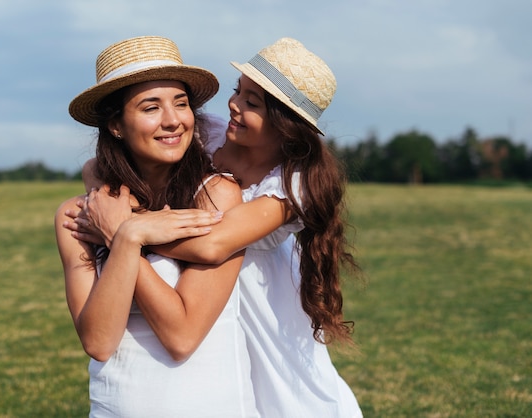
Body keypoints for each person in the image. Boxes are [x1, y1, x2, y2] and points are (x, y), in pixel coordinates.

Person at [71, 38, 362, 417]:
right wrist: (108, 205)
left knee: (285, 396)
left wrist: (127, 228)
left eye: (252, 103)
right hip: (204, 283)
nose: (234, 105)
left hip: (263, 298)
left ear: (285, 125)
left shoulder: (293, 183)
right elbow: (101, 164)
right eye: (238, 91)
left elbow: (212, 245)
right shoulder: (209, 132)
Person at [54, 35, 259, 417]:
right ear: (116, 124)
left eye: (181, 104)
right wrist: (130, 240)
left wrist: (125, 232)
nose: (172, 120)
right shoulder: (78, 216)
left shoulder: (217, 195)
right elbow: (99, 341)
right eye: (151, 107)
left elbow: (182, 336)